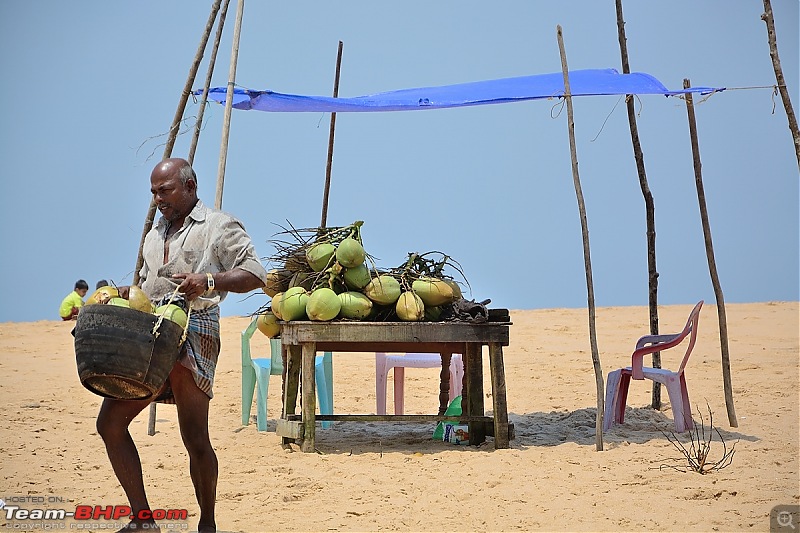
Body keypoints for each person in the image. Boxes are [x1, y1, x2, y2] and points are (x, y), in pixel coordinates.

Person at [98, 158, 267, 532]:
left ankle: (207, 522)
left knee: (194, 436)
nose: (158, 199)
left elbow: (255, 273)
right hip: (152, 333)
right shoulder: (154, 236)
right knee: (110, 423)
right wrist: (129, 292)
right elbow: (146, 287)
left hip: (195, 329)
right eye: (154, 192)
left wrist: (209, 280)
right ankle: (143, 519)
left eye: (165, 190)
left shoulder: (218, 225)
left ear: (190, 186)